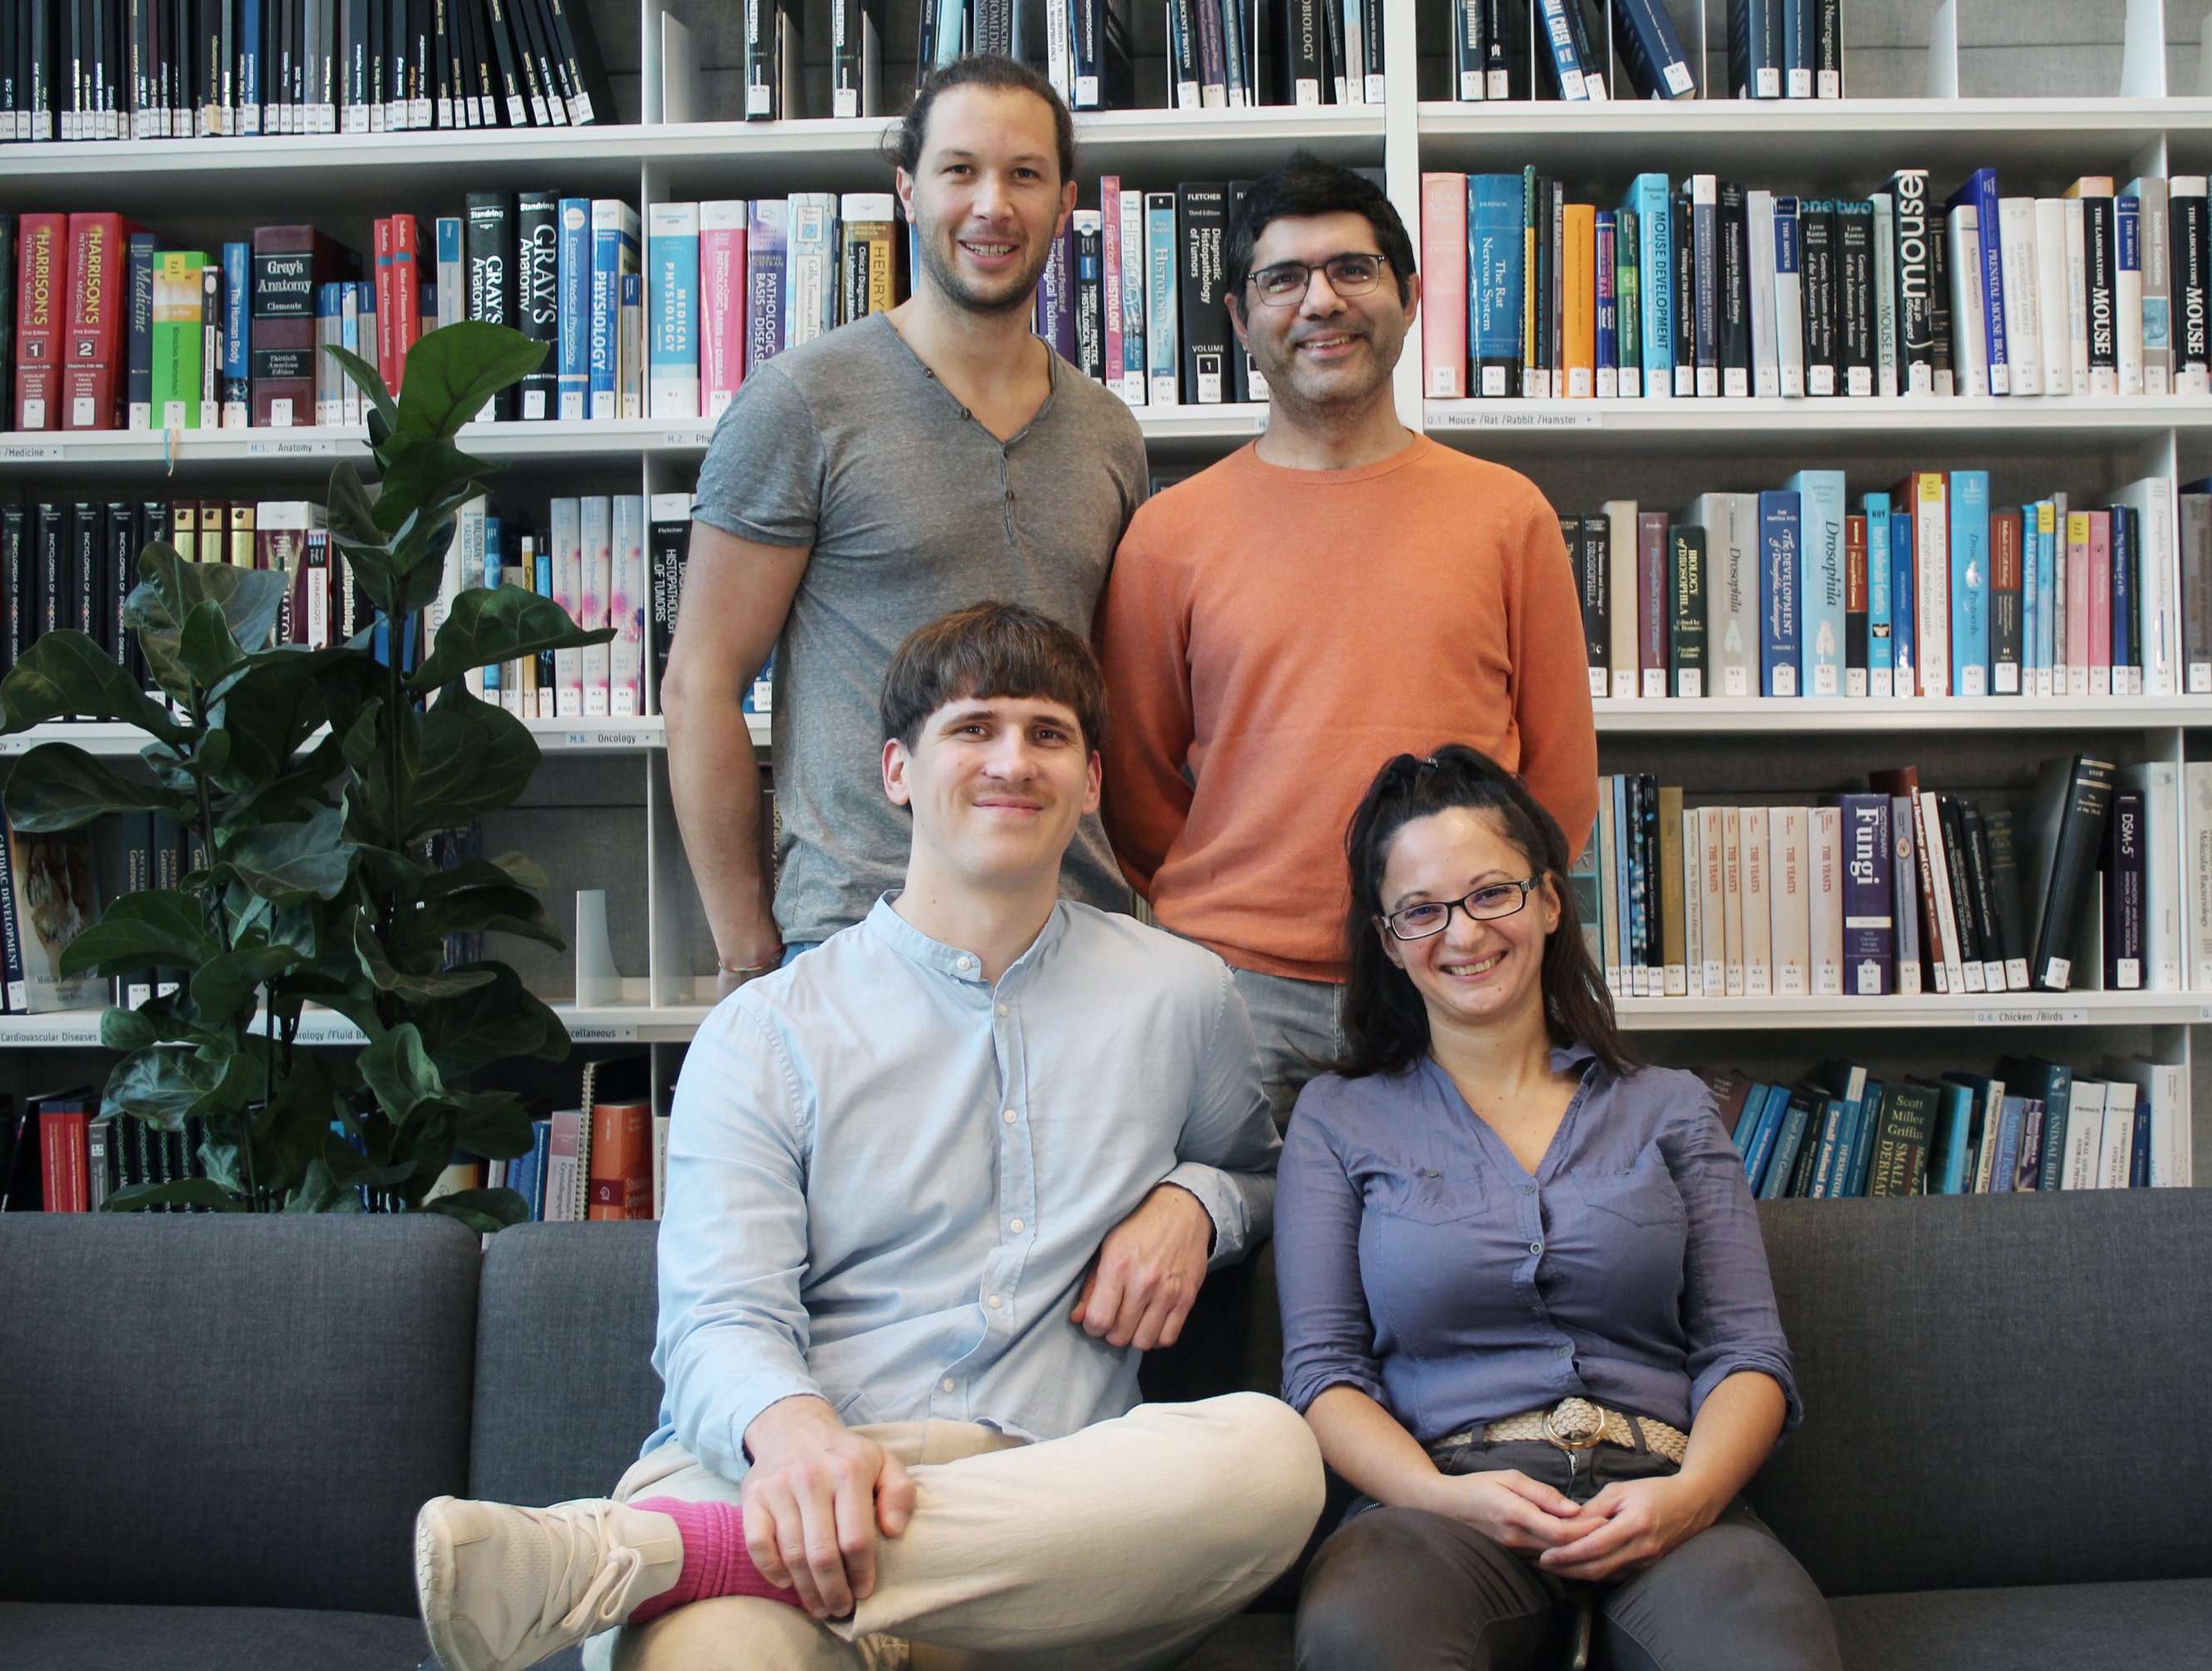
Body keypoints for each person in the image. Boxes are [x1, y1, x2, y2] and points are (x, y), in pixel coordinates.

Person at [415, 605, 1322, 1671]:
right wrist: (799, 1440)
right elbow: (716, 1319)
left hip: (1042, 1510)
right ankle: (739, 1553)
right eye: (973, 728)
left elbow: (1260, 1176)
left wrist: (1197, 1204)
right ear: (898, 770)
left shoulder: (1180, 993)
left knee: (1274, 1460)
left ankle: (656, 1554)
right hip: (784, 1477)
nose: (1011, 761)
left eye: (1048, 734)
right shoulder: (766, 1031)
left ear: (1090, 783)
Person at [1274, 746, 1841, 1671]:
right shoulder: (1338, 1118)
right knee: (1363, 1635)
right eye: (1421, 909)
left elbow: (1747, 1350)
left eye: (1490, 891)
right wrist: (1439, 1494)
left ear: (1546, 898)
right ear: (1387, 939)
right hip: (1442, 1503)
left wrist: (1690, 1496)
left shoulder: (1670, 1104)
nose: (1461, 933)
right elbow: (1325, 1372)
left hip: (1661, 1487)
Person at [1097, 154, 1596, 1124]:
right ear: (1241, 323)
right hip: (1234, 993)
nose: (1320, 301)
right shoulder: (1168, 534)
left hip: (1454, 976)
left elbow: (1559, 783)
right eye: (1283, 279)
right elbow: (1139, 792)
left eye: (1351, 271)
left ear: (1409, 299)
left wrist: (1471, 930)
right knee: (1223, 1262)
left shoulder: (1507, 514)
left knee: (1465, 1271)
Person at [665, 54, 1145, 995]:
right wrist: (747, 950)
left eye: (1025, 174)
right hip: (861, 936)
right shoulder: (804, 403)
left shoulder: (1107, 430)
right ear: (907, 190)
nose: (992, 205)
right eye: (960, 170)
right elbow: (699, 687)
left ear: (1065, 202)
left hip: (1076, 937)